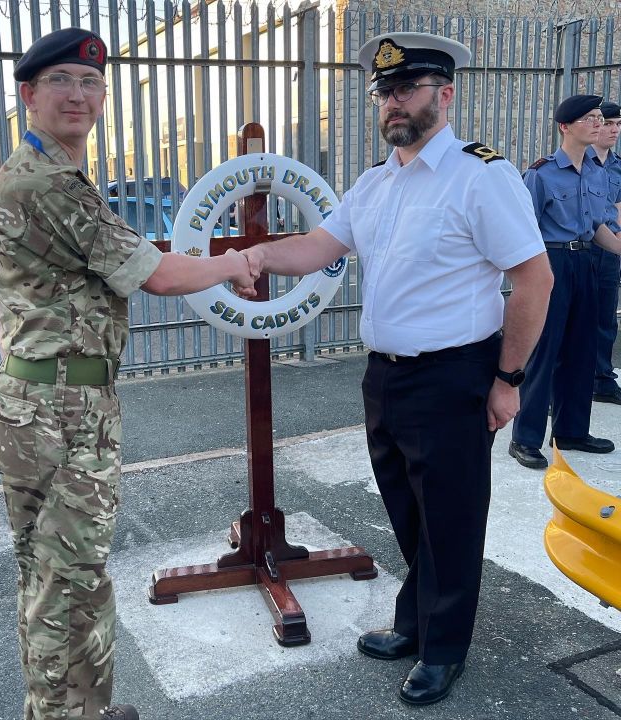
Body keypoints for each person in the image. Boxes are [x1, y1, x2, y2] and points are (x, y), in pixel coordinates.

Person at [234, 32, 553, 706]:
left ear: (446, 94)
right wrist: (254, 258)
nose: (392, 103)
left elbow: (534, 278)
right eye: (384, 92)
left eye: (407, 88)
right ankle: (415, 622)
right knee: (408, 510)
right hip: (385, 376)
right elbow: (320, 245)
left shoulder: (480, 175)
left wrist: (508, 380)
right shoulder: (375, 183)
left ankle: (444, 649)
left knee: (451, 518)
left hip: (454, 375)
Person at [0, 28, 256, 720]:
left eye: (90, 83)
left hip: (50, 397)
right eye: (61, 81)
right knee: (65, 581)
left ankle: (83, 709)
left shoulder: (52, 174)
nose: (78, 94)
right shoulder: (47, 183)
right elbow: (156, 274)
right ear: (29, 94)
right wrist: (236, 262)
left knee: (61, 573)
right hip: (59, 407)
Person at [509, 95, 621, 470]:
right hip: (551, 262)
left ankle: (571, 431)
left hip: (586, 260)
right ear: (565, 126)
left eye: (600, 118)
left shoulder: (597, 173)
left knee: (582, 349)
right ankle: (525, 438)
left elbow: (598, 225)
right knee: (544, 350)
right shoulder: (541, 174)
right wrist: (532, 276)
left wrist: (618, 248)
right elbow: (523, 228)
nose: (598, 123)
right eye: (590, 118)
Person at [591, 101, 621, 405]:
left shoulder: (618, 166)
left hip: (610, 250)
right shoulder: (577, 162)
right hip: (581, 249)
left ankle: (601, 379)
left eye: (617, 124)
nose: (613, 130)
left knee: (605, 319)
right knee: (564, 320)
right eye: (608, 123)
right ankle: (550, 387)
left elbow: (619, 211)